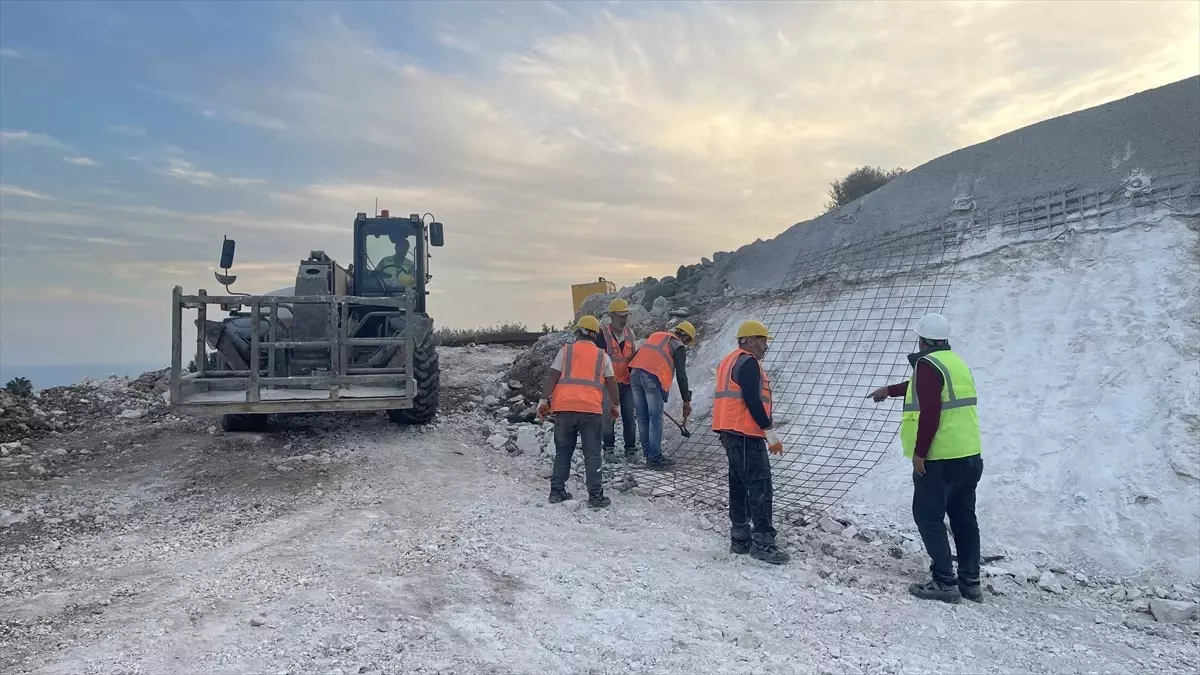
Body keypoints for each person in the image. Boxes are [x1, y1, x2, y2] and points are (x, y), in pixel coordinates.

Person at [869, 313, 983, 603]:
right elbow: (924, 391)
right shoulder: (954, 362)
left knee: (928, 516)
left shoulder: (926, 364)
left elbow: (931, 410)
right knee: (963, 517)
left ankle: (944, 582)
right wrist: (889, 391)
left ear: (921, 340)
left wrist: (920, 453)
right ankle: (970, 582)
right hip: (968, 455)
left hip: (940, 458)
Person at [712, 321, 790, 564]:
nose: (766, 347)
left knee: (738, 484)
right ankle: (763, 541)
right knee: (760, 486)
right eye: (764, 340)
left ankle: (740, 538)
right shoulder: (748, 362)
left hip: (730, 431)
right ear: (750, 339)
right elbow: (752, 400)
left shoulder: (730, 360)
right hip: (745, 432)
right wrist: (770, 432)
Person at [537, 315, 621, 508]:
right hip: (591, 411)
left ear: (578, 332)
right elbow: (612, 384)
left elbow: (552, 376)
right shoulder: (603, 356)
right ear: (595, 335)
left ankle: (556, 492)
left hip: (564, 409)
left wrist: (543, 400)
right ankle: (595, 497)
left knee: (563, 451)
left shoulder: (565, 352)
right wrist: (615, 406)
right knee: (592, 454)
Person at [626, 320, 695, 469]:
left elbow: (636, 356)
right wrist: (685, 399)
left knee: (643, 418)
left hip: (635, 373)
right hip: (652, 377)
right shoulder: (678, 345)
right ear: (686, 338)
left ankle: (649, 455)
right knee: (655, 418)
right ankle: (655, 459)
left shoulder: (657, 335)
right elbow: (681, 375)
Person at [594, 298, 639, 462]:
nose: (623, 319)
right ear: (611, 316)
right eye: (620, 316)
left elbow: (632, 357)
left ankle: (630, 449)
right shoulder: (602, 335)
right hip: (607, 384)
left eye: (626, 316)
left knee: (629, 417)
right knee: (608, 417)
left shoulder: (630, 334)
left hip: (626, 382)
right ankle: (609, 448)